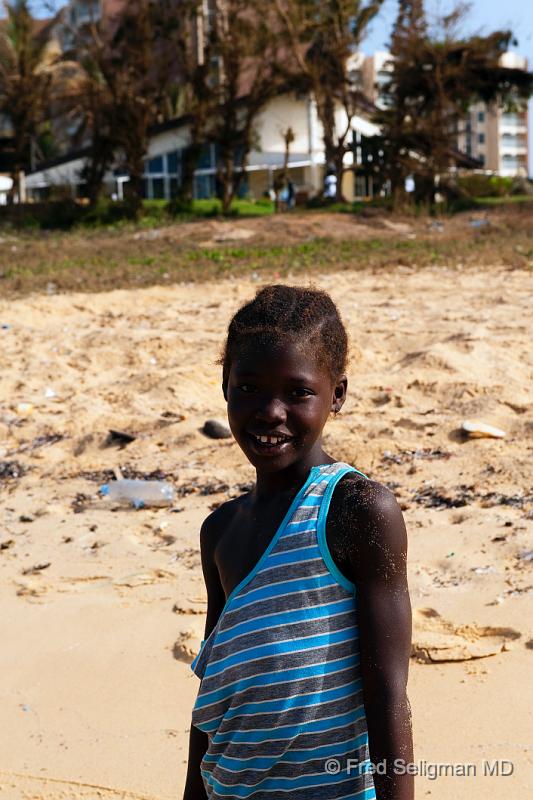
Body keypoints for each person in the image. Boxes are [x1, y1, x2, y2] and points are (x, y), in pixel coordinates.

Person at [183, 285, 413, 800]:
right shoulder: (219, 531)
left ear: (338, 394)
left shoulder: (357, 511)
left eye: (297, 392)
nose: (270, 411)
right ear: (224, 386)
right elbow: (214, 692)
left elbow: (388, 691)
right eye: (248, 388)